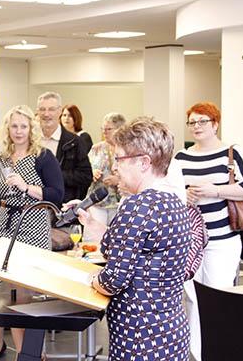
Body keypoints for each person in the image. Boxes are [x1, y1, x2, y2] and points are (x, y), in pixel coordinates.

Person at [67, 117, 191, 361]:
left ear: (144, 163)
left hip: (140, 335)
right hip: (171, 330)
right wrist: (90, 221)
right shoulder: (173, 202)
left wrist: (93, 279)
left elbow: (114, 279)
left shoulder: (138, 206)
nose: (115, 167)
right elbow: (126, 246)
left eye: (120, 159)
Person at [174, 102, 243, 361]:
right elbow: (171, 191)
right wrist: (185, 195)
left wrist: (216, 190)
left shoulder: (232, 153)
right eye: (192, 123)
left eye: (202, 121)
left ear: (215, 124)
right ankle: (198, 354)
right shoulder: (181, 157)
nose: (196, 127)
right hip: (190, 242)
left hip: (222, 240)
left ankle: (217, 353)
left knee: (218, 300)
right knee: (192, 300)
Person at [0, 105, 64, 358]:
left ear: (32, 128)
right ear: (7, 129)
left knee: (27, 294)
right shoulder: (2, 158)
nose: (18, 131)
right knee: (10, 294)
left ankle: (34, 351)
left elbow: (57, 194)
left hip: (32, 225)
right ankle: (23, 352)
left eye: (23, 126)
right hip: (5, 227)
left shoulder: (43, 156)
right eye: (14, 126)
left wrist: (27, 186)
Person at [36, 92, 92, 203]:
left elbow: (86, 176)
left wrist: (55, 174)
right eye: (42, 109)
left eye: (51, 109)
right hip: (34, 207)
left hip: (62, 207)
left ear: (60, 111)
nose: (46, 114)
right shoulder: (31, 141)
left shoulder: (74, 142)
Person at [85, 112, 126, 240]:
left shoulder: (128, 149)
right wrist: (92, 173)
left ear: (120, 129)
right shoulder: (96, 148)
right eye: (103, 129)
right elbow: (84, 170)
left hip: (119, 203)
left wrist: (118, 180)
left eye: (108, 129)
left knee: (116, 241)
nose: (104, 132)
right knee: (92, 240)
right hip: (97, 202)